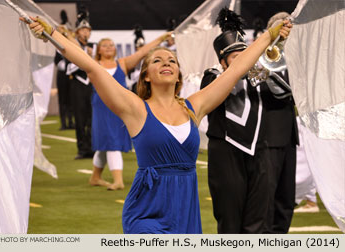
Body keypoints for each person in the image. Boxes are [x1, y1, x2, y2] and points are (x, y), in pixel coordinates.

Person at [23, 14, 291, 234]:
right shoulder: (135, 109)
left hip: (185, 210)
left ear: (178, 75)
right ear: (146, 75)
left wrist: (270, 35)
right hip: (147, 211)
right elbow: (92, 68)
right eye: (157, 60)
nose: (166, 62)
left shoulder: (193, 107)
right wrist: (51, 34)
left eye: (171, 60)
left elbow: (236, 69)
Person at [200, 8, 272, 233]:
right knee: (230, 219)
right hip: (225, 151)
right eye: (235, 57)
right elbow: (228, 81)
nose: (243, 61)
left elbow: (284, 92)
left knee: (257, 219)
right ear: (223, 61)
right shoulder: (212, 76)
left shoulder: (260, 74)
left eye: (246, 54)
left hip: (259, 151)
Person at [89, 33, 172, 190]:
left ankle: (96, 176)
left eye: (111, 45)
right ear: (98, 49)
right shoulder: (93, 64)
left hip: (120, 106)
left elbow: (142, 53)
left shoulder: (122, 63)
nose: (108, 47)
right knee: (109, 142)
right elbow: (75, 50)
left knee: (109, 141)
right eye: (105, 45)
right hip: (101, 107)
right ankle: (117, 180)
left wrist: (162, 38)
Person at [261, 12, 299, 234]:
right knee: (267, 198)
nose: (286, 34)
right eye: (282, 30)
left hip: (288, 136)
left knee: (286, 198)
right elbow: (261, 86)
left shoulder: (297, 57)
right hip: (268, 135)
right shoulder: (261, 56)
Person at [66, 11, 96, 159]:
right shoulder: (72, 48)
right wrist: (84, 57)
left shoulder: (95, 47)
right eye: (83, 30)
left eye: (88, 30)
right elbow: (68, 68)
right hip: (77, 85)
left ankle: (92, 146)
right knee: (80, 117)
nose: (86, 32)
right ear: (77, 33)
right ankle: (82, 148)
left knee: (92, 117)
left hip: (92, 85)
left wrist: (91, 56)